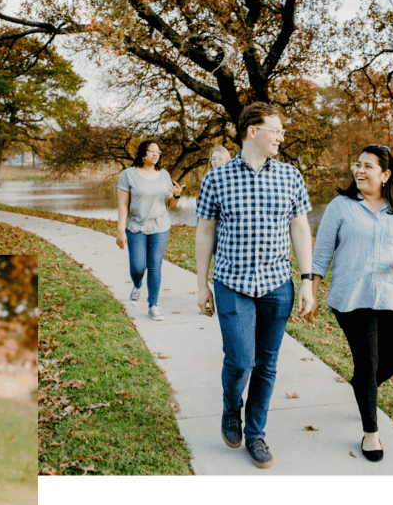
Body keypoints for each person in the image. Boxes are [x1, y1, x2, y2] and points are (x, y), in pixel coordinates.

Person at [194, 102, 315, 469]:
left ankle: (256, 433)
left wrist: (307, 281)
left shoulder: (291, 176)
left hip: (277, 284)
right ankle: (232, 408)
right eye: (275, 130)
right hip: (232, 282)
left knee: (266, 364)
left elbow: (300, 228)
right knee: (241, 360)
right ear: (252, 131)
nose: (281, 136)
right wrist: (201, 284)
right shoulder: (216, 178)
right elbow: (205, 232)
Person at [306, 144, 393, 461]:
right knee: (368, 363)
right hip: (352, 298)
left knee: (392, 362)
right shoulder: (340, 206)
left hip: (392, 295)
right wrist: (312, 291)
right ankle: (371, 433)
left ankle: (362, 387)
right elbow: (322, 252)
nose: (359, 170)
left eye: (367, 166)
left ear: (385, 174)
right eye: (357, 164)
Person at [116, 140, 184, 322]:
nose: (156, 154)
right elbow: (123, 205)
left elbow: (170, 204)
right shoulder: (128, 175)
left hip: (160, 226)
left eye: (158, 152)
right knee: (138, 267)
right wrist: (120, 231)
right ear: (142, 154)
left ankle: (153, 305)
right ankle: (137, 285)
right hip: (136, 226)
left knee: (155, 266)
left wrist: (176, 196)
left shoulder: (164, 175)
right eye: (151, 151)